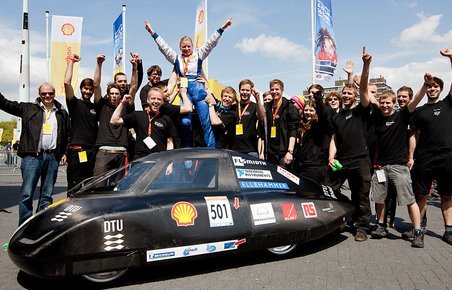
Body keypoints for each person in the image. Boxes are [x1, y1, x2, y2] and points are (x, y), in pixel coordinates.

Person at [359, 48, 426, 247]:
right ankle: (380, 225)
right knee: (379, 198)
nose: (385, 105)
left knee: (408, 199)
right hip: (380, 166)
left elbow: (416, 100)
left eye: (388, 102)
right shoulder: (378, 114)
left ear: (394, 103)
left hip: (399, 166)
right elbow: (363, 90)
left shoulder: (402, 115)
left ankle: (417, 231)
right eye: (383, 102)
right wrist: (366, 65)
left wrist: (425, 84)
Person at [144, 17, 232, 148]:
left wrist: (222, 28)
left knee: (205, 122)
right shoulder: (177, 58)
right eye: (184, 47)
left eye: (188, 46)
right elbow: (164, 48)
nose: (186, 49)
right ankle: (187, 148)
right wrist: (153, 33)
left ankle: (211, 148)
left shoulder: (199, 54)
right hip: (185, 92)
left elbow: (211, 43)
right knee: (185, 122)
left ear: (192, 46)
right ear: (180, 47)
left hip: (198, 90)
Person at [0, 82, 70, 225]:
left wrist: (64, 152)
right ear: (39, 95)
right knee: (27, 194)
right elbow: (5, 104)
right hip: (32, 157)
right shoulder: (28, 108)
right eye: (44, 93)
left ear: (54, 94)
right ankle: (25, 226)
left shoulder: (62, 112)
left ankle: (40, 226)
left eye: (50, 93)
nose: (47, 96)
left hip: (52, 157)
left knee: (47, 195)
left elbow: (68, 134)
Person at [328, 48, 373, 242]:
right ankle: (342, 219)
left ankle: (362, 227)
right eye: (344, 93)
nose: (346, 95)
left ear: (354, 97)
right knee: (329, 189)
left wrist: (365, 65)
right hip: (341, 161)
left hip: (360, 160)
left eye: (349, 93)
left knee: (361, 194)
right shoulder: (337, 117)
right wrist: (331, 157)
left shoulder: (361, 111)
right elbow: (334, 139)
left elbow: (362, 88)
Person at [408, 48, 452, 245]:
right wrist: (411, 156)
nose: (433, 89)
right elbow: (413, 136)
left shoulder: (448, 104)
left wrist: (451, 59)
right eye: (430, 86)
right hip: (425, 156)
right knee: (421, 194)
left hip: (447, 155)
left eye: (436, 86)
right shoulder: (418, 111)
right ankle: (419, 229)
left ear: (441, 89)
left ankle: (448, 230)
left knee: (447, 195)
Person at [92, 54, 138, 183]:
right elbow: (96, 85)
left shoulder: (126, 106)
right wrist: (99, 64)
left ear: (120, 95)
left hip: (121, 152)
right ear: (108, 94)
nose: (113, 96)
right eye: (111, 93)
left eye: (116, 94)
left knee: (119, 187)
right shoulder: (102, 105)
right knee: (98, 186)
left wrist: (134, 67)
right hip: (104, 151)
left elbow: (133, 87)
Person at [64, 54, 99, 191]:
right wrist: (71, 63)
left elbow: (97, 84)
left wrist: (98, 64)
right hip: (77, 149)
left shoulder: (95, 106)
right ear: (81, 89)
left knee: (89, 184)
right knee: (75, 185)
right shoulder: (74, 104)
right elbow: (66, 83)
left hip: (92, 150)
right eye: (85, 88)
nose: (88, 91)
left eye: (90, 89)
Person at [111, 87, 178, 159]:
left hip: (159, 160)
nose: (156, 101)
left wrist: (169, 161)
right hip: (140, 159)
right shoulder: (137, 115)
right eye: (153, 98)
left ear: (162, 102)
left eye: (159, 99)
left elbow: (169, 143)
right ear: (148, 100)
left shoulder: (166, 119)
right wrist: (122, 102)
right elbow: (114, 121)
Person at [293, 85, 333, 184]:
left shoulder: (319, 124)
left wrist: (318, 100)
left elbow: (325, 114)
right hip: (301, 166)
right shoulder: (300, 125)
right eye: (306, 110)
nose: (308, 113)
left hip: (315, 167)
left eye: (311, 110)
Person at [264, 79, 299, 169]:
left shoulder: (289, 107)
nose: (274, 92)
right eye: (272, 89)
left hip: (284, 154)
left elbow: (293, 131)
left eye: (277, 89)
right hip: (270, 153)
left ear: (282, 90)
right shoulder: (267, 107)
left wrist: (290, 152)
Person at [231, 79, 265, 157]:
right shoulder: (233, 107)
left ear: (251, 91)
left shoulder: (255, 106)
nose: (245, 92)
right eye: (243, 90)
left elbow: (261, 117)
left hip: (251, 150)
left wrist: (258, 99)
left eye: (247, 90)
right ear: (239, 90)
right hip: (233, 150)